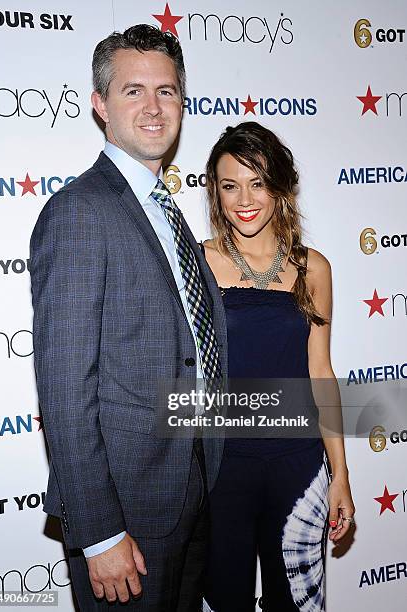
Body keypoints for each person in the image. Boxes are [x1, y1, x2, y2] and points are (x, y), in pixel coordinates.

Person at [29, 24, 227, 611]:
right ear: (100, 105)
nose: (153, 107)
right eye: (133, 90)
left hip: (193, 491)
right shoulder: (81, 213)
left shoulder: (170, 213)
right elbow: (65, 388)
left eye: (166, 91)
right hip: (126, 516)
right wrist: (99, 532)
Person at [201, 122, 355, 612]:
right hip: (221, 468)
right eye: (230, 185)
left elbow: (320, 371)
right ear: (216, 193)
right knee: (224, 601)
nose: (244, 198)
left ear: (280, 187)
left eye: (258, 182)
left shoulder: (314, 268)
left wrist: (341, 475)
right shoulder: (197, 263)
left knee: (297, 604)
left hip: (298, 466)